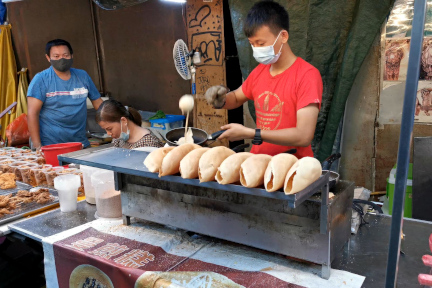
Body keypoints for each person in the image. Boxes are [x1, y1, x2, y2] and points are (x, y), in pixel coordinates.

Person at [205, 1, 323, 159]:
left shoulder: (307, 75)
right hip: (259, 161)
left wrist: (251, 133)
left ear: (283, 36)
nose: (257, 49)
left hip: (293, 165)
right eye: (252, 44)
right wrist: (220, 99)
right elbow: (236, 98)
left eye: (261, 43)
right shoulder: (259, 71)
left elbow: (303, 136)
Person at [27, 39, 103, 150]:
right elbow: (32, 113)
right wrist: (37, 146)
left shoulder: (82, 76)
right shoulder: (41, 79)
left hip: (80, 142)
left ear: (72, 55)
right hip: (51, 144)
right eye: (56, 56)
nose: (61, 59)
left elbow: (99, 104)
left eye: (65, 55)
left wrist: (115, 126)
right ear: (48, 58)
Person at [96, 100, 163, 149]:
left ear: (123, 121)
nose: (108, 133)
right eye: (105, 129)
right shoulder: (118, 139)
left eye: (109, 129)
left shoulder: (149, 143)